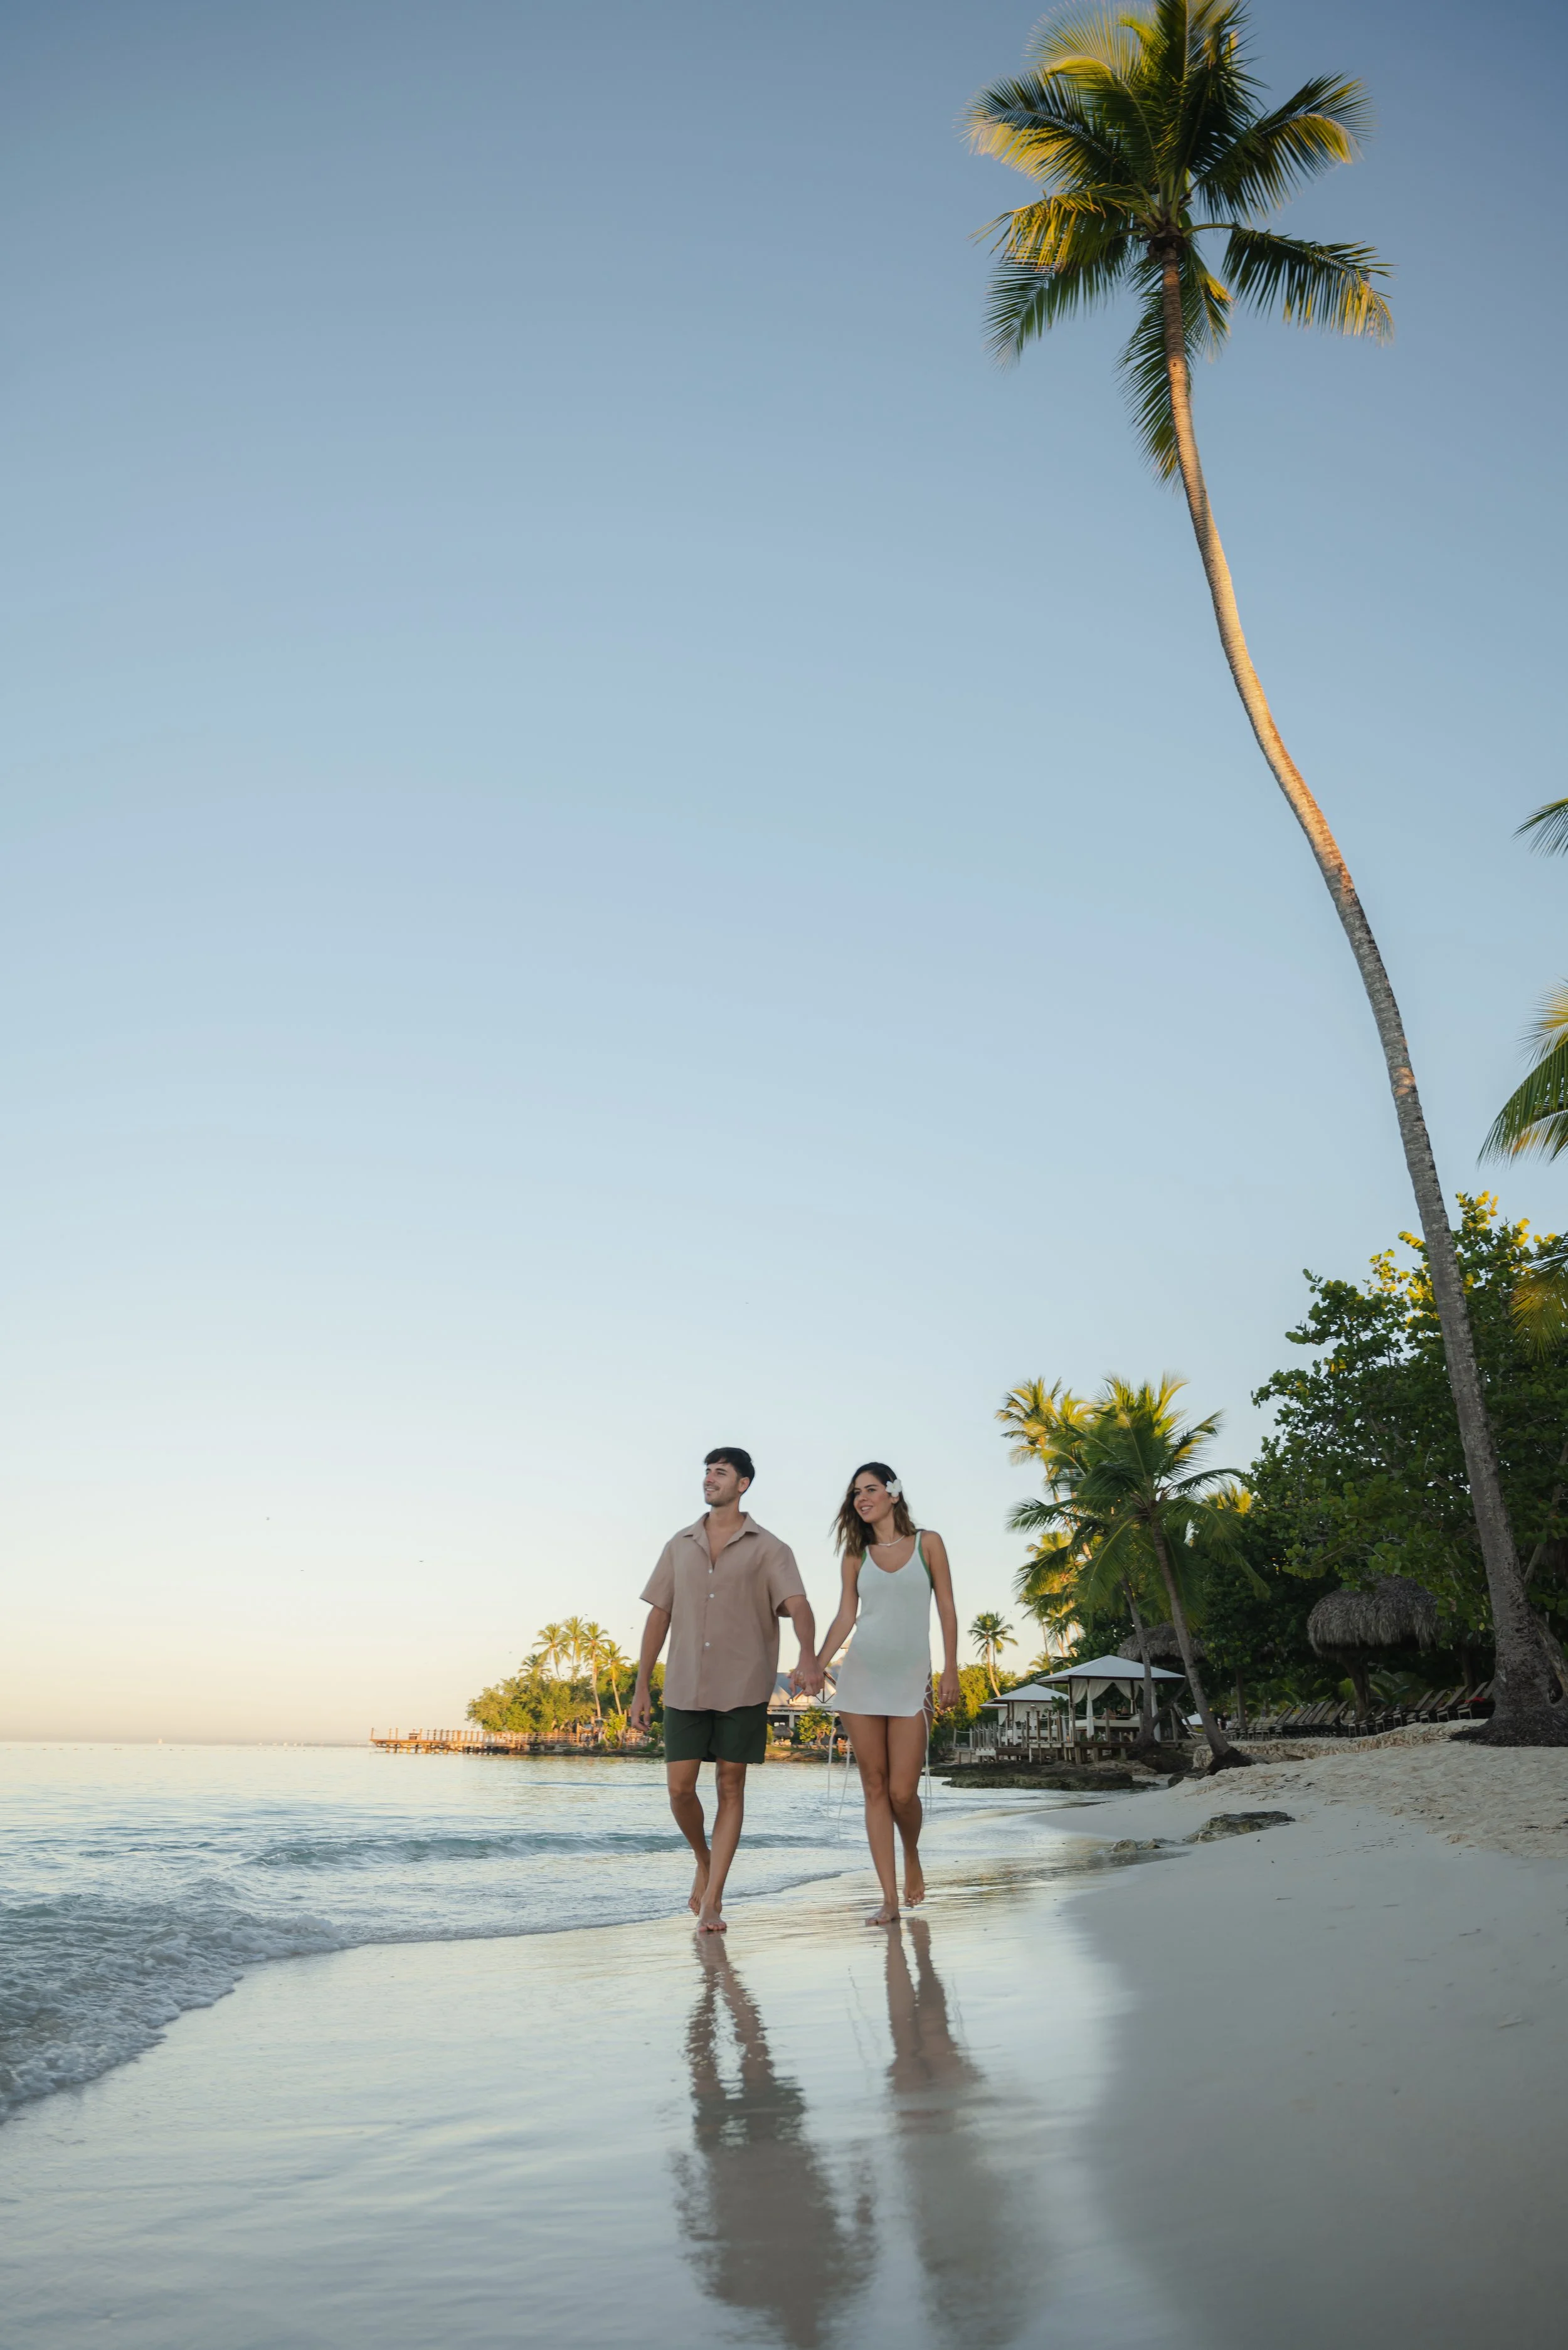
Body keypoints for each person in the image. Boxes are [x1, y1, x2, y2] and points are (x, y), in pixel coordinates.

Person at [630, 1448, 820, 1934]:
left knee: (730, 1786)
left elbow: (799, 1605)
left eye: (721, 1472)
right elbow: (659, 1615)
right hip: (684, 1684)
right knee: (679, 1789)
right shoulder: (679, 1544)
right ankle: (704, 1859)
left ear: (743, 1484)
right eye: (707, 1471)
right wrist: (641, 1686)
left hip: (743, 1684)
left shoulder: (771, 1548)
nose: (709, 1478)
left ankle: (713, 1900)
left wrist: (807, 1654)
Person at [812, 1462, 960, 1925]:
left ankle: (911, 1852)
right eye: (856, 1492)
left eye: (871, 1489)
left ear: (893, 1494)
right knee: (874, 1787)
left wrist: (951, 1669)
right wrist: (815, 1663)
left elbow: (947, 1608)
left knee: (901, 1792)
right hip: (861, 1678)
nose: (861, 1498)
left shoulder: (929, 1544)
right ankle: (889, 1899)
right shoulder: (856, 1555)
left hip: (912, 1681)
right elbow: (845, 1617)